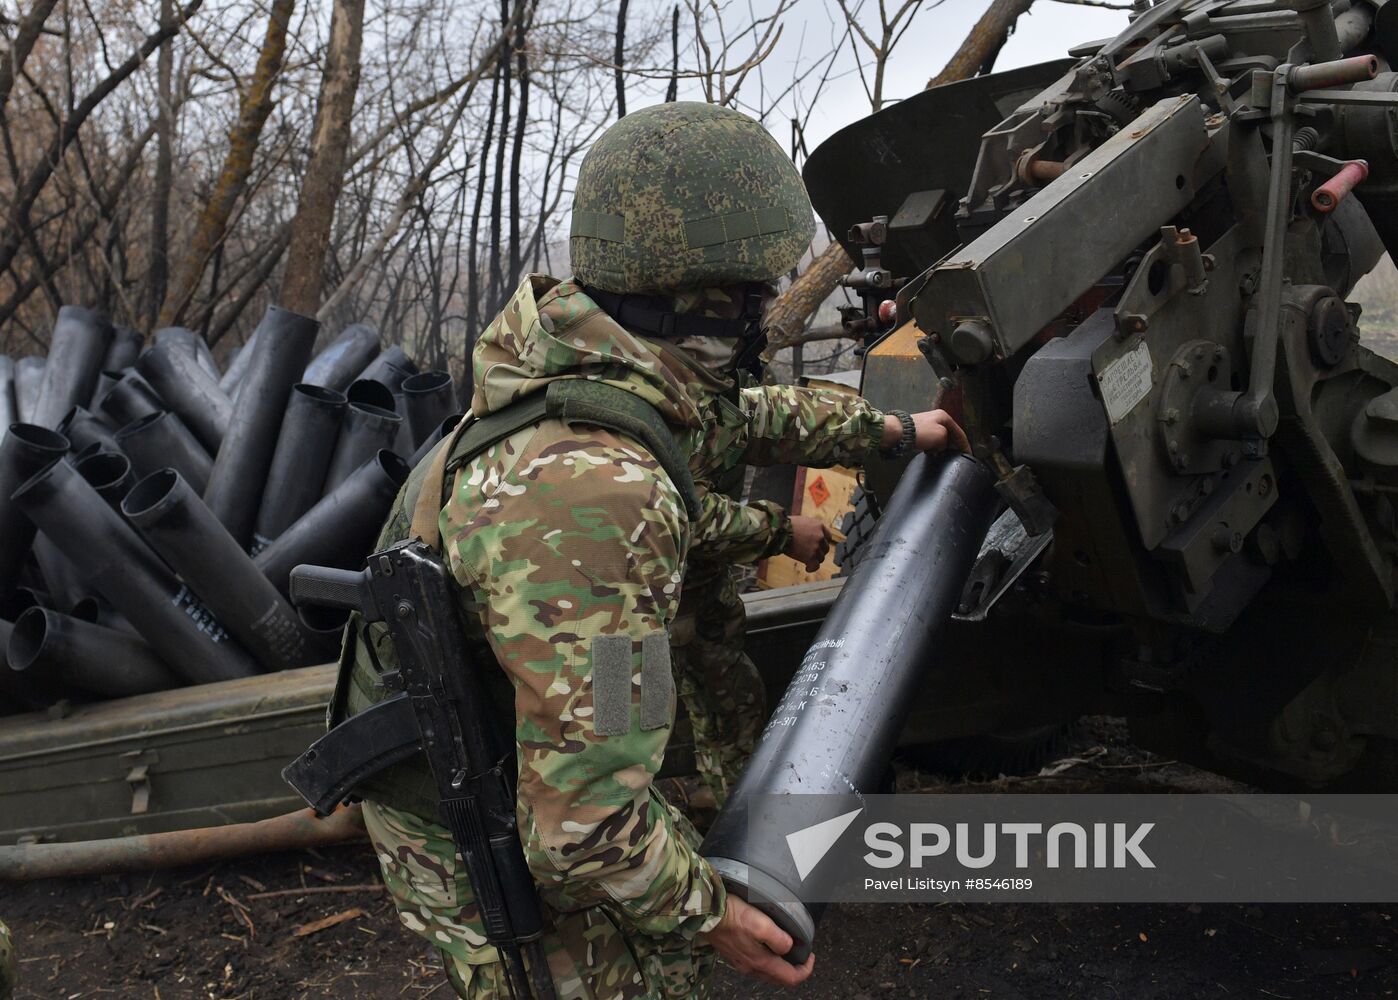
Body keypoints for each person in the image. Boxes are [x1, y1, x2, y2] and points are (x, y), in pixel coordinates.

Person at [331, 101, 966, 999]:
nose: (768, 310)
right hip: (482, 818)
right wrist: (712, 914)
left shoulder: (599, 359)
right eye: (760, 291)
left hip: (541, 765)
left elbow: (742, 414)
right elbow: (584, 825)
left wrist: (893, 430)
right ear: (715, 298)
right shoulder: (598, 493)